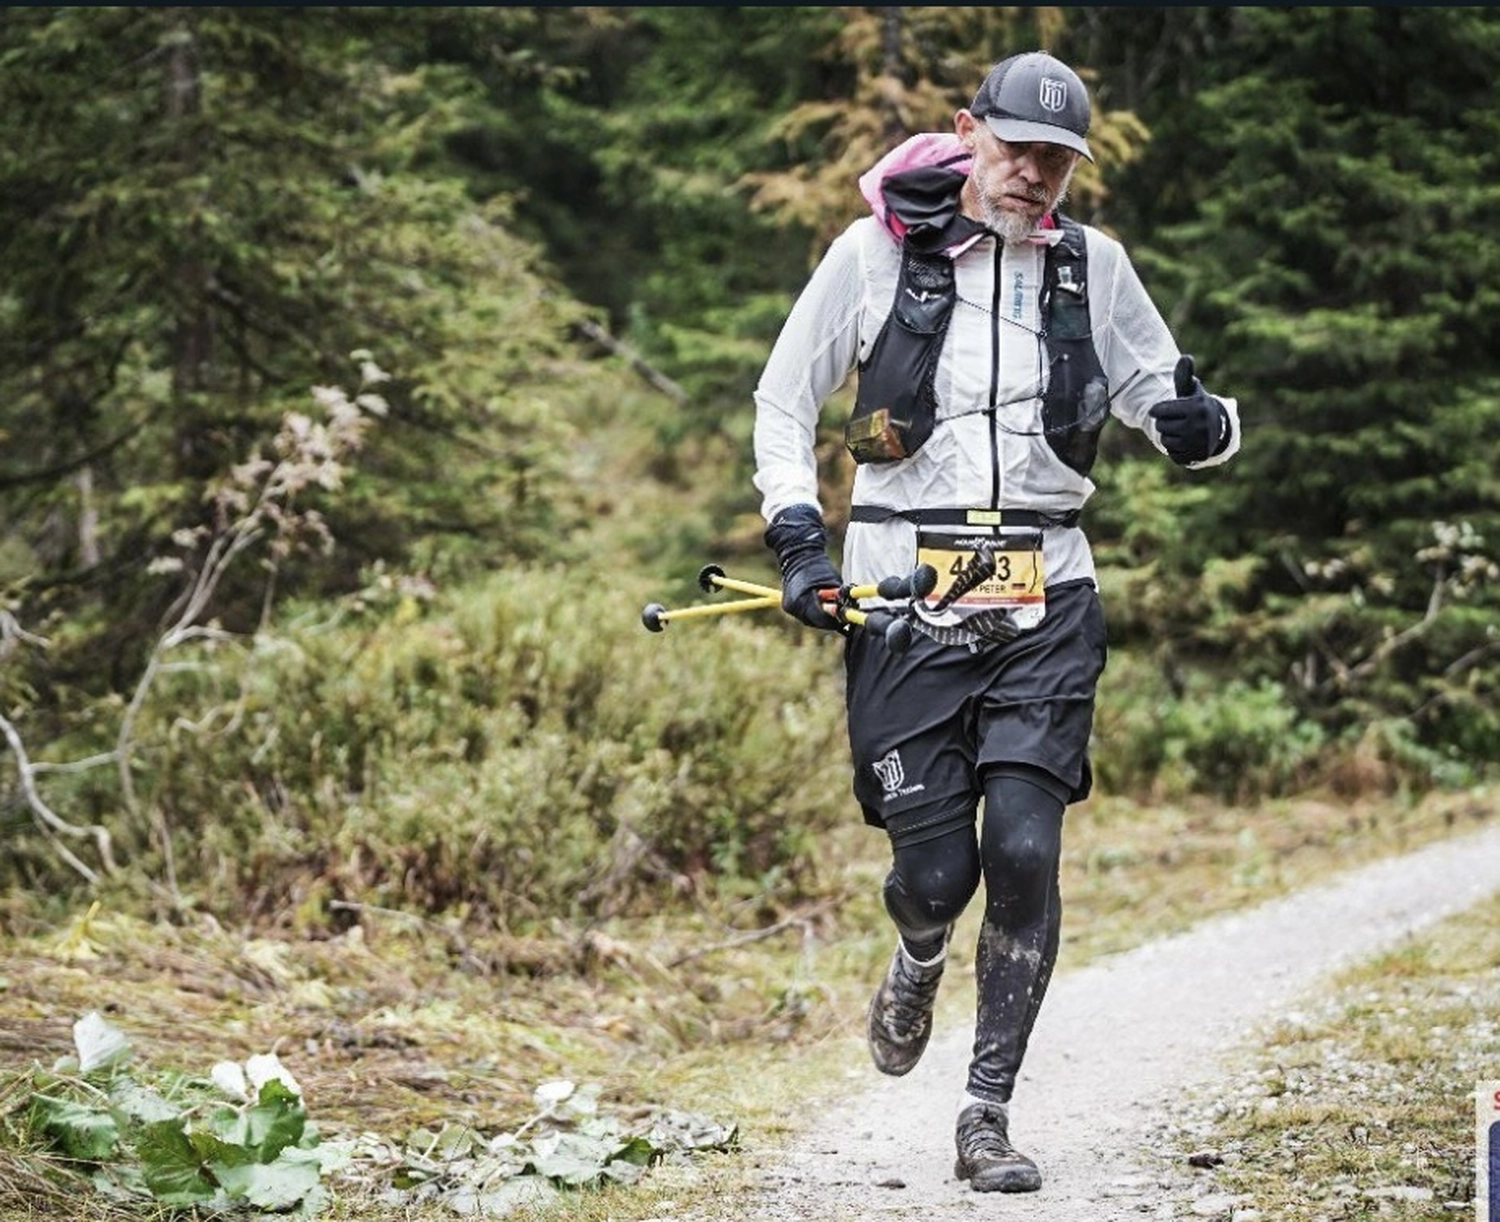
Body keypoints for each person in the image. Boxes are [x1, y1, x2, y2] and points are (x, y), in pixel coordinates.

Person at [751, 50, 1241, 1193]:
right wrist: (796, 541)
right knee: (935, 875)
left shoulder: (1092, 267)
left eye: (1058, 160)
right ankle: (919, 952)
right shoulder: (874, 254)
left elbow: (1174, 402)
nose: (1036, 177)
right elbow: (784, 399)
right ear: (969, 131)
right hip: (906, 590)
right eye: (1018, 150)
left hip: (1048, 591)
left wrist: (1196, 425)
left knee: (1024, 849)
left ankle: (985, 1113)